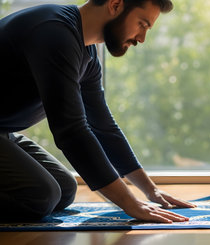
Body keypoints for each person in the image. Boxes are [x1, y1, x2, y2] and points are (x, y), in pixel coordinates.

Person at [0, 0, 196, 222]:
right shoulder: (54, 33)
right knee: (41, 196)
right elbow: (70, 131)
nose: (141, 39)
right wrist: (129, 204)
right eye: (142, 24)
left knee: (64, 189)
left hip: (4, 132)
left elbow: (102, 126)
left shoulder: (87, 53)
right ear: (115, 5)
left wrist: (151, 191)